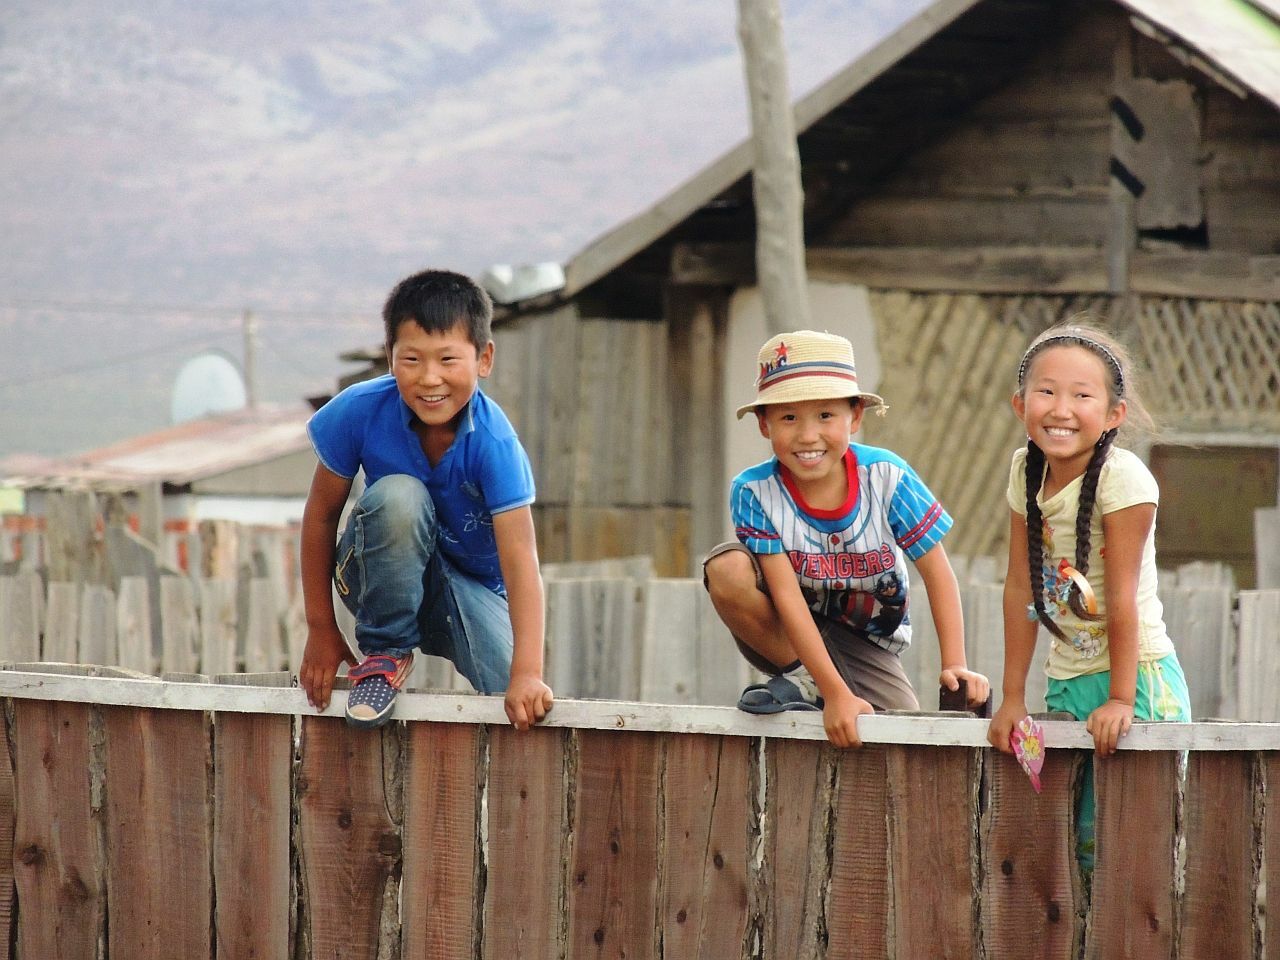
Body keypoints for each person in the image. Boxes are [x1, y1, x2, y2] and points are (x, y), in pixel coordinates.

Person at [703, 329, 989, 748]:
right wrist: (833, 692)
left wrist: (956, 665)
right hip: (785, 631)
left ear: (854, 417)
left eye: (825, 416)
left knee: (901, 741)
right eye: (788, 418)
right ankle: (804, 680)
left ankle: (817, 686)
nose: (807, 435)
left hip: (868, 642)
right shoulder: (753, 491)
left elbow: (938, 573)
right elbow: (785, 595)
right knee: (726, 567)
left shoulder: (887, 476)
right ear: (764, 424)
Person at [297, 268, 554, 731]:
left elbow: (521, 558)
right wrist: (321, 627)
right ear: (390, 357)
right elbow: (320, 517)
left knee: (518, 697)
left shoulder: (494, 443)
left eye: (448, 359)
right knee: (400, 494)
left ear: (484, 358)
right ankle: (386, 653)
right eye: (411, 359)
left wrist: (528, 673)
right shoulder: (359, 410)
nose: (430, 378)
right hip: (376, 573)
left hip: (464, 588)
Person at [987, 319, 1191, 870]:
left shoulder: (1123, 480)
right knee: (1070, 849)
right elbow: (1020, 585)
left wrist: (1121, 699)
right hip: (1069, 680)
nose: (1061, 408)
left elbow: (1121, 598)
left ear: (1113, 415)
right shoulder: (1023, 471)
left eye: (1082, 395)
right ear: (1019, 403)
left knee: (1132, 847)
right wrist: (1011, 696)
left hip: (1137, 679)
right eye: (1046, 391)